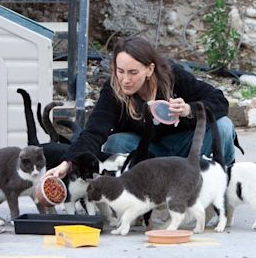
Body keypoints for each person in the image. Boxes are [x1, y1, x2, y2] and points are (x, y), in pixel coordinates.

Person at [46, 36, 237, 178]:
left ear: (149, 69)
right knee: (115, 143)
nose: (125, 80)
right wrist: (68, 162)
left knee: (224, 126)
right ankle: (134, 191)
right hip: (146, 152)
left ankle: (224, 178)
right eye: (120, 71)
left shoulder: (171, 76)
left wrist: (189, 109)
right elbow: (94, 132)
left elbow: (219, 100)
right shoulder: (113, 90)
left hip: (185, 146)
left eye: (133, 72)